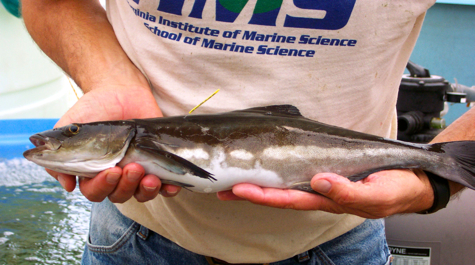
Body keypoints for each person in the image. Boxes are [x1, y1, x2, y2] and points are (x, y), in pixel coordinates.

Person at [22, 0, 471, 264]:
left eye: (73, 134)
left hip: (336, 242)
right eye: (76, 133)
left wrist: (435, 177)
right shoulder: (134, 145)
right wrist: (109, 81)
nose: (57, 140)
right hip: (134, 239)